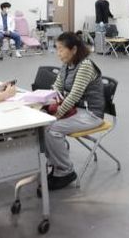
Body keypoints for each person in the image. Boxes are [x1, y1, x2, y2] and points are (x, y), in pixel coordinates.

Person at [44, 31, 104, 190]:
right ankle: (55, 163)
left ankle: (65, 171)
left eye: (61, 49)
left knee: (51, 129)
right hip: (76, 110)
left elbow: (74, 95)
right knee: (42, 124)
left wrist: (57, 114)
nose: (58, 53)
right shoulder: (67, 65)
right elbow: (57, 87)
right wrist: (47, 99)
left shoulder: (85, 65)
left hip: (91, 114)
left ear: (74, 49)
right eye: (57, 49)